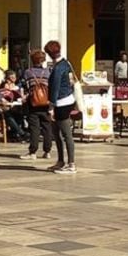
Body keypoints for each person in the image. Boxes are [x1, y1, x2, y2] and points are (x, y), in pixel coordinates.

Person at [45, 41, 77, 174]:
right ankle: (60, 161)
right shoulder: (66, 63)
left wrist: (51, 106)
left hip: (61, 103)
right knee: (56, 133)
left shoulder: (58, 68)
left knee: (65, 134)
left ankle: (71, 164)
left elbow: (55, 88)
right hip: (68, 99)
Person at [20, 49, 52, 160]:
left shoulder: (28, 72)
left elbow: (24, 86)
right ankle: (47, 151)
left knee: (34, 128)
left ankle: (32, 152)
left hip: (33, 103)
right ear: (43, 60)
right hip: (46, 103)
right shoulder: (48, 72)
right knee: (47, 127)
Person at [0, 76, 26, 141]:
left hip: (2, 110)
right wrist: (0, 103)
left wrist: (10, 103)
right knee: (7, 114)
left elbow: (4, 100)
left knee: (18, 113)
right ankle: (21, 133)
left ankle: (14, 134)